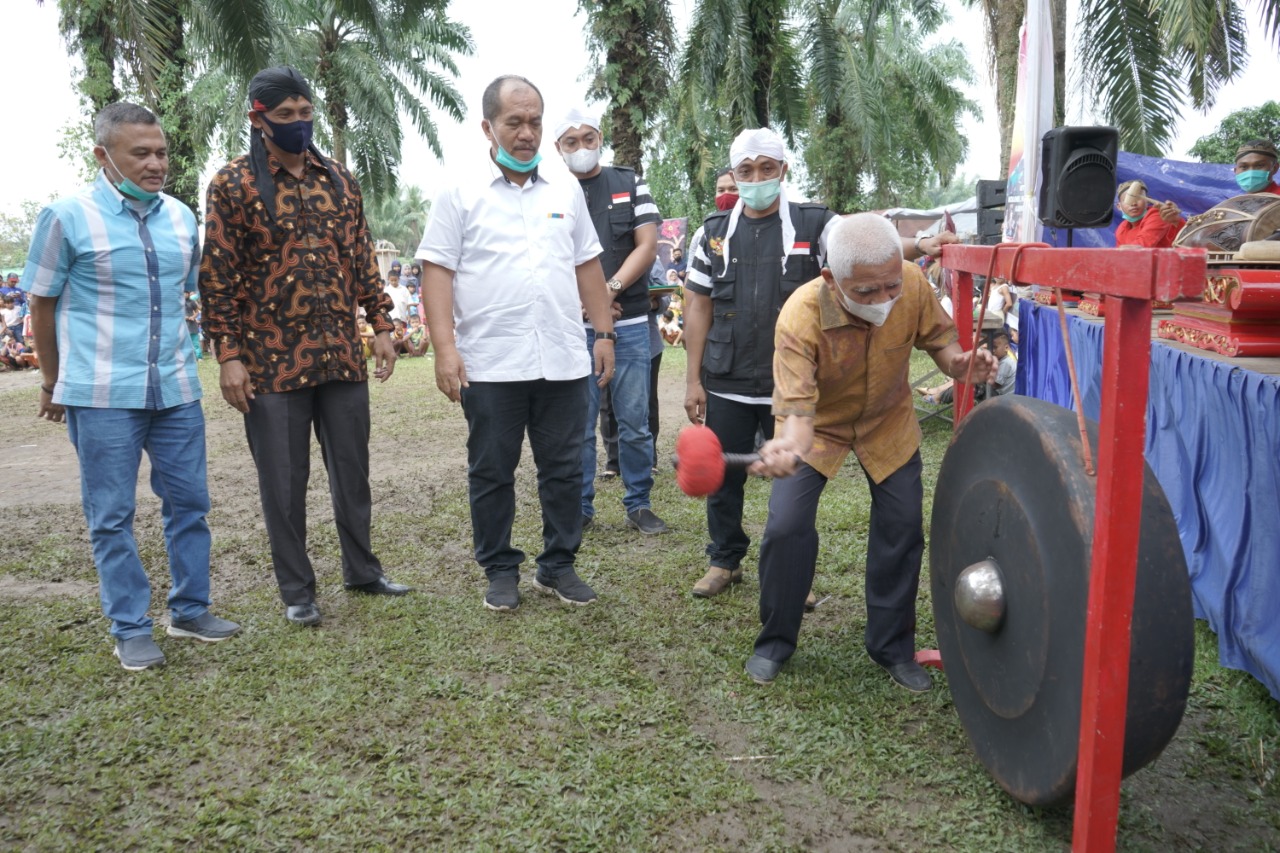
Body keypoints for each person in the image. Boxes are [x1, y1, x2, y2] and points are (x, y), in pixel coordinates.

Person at [22, 101, 240, 670]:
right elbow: (40, 306)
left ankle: (190, 610)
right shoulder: (66, 217)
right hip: (100, 396)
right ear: (104, 155)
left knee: (190, 504)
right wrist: (52, 381)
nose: (155, 164)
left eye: (161, 152)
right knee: (112, 515)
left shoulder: (181, 217)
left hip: (174, 389)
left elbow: (199, 290)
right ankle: (130, 626)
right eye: (140, 153)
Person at [743, 213, 999, 690]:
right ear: (830, 279)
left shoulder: (911, 282)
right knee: (785, 526)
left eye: (889, 288)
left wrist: (961, 365)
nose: (883, 300)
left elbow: (941, 343)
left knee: (902, 528)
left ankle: (892, 647)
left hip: (888, 423)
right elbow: (797, 414)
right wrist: (789, 447)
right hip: (817, 428)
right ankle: (775, 641)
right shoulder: (800, 315)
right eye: (865, 292)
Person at [200, 66, 412, 628]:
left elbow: (362, 258)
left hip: (341, 354)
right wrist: (229, 356)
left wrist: (382, 326)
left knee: (353, 471)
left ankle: (363, 570)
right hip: (269, 364)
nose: (299, 123)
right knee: (284, 482)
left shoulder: (339, 178)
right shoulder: (233, 184)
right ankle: (297, 590)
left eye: (305, 112)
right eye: (286, 115)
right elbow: (217, 277)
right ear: (259, 117)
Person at [417, 75, 617, 612]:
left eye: (534, 122)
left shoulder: (565, 190)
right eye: (514, 122)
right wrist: (445, 348)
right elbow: (437, 272)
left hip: (562, 359)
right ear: (488, 126)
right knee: (491, 470)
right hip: (491, 363)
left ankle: (559, 565)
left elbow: (588, 266)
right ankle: (500, 568)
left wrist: (602, 332)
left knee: (564, 467)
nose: (527, 133)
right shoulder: (459, 193)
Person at [554, 108, 667, 535]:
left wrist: (608, 292)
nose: (581, 148)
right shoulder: (551, 191)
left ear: (599, 137)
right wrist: (586, 301)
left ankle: (639, 504)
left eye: (587, 138)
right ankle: (580, 508)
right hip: (571, 327)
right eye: (571, 141)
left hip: (631, 323)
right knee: (578, 426)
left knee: (635, 423)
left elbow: (648, 244)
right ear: (558, 148)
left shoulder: (629, 182)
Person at [1114, 179, 1184, 248]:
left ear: (1147, 201)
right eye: (1127, 200)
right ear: (1119, 206)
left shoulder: (1158, 214)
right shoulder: (1121, 229)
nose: (1133, 203)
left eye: (1138, 198)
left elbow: (1142, 245)